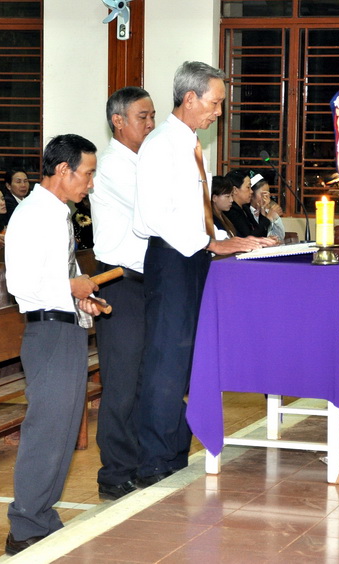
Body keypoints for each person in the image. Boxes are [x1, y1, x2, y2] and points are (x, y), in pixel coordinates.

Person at [132, 61, 265, 487]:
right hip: (171, 259)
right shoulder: (160, 145)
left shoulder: (190, 143)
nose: (219, 112)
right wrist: (211, 244)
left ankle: (175, 452)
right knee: (166, 361)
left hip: (192, 258)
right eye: (216, 102)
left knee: (186, 359)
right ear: (190, 98)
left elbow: (193, 213)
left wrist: (226, 243)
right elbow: (154, 216)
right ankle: (154, 461)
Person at [4, 134, 104, 555]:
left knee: (63, 428)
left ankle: (42, 516)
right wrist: (71, 288)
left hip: (66, 326)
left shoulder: (56, 212)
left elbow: (62, 272)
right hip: (47, 332)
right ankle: (24, 523)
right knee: (47, 428)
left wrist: (83, 296)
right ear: (63, 170)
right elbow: (21, 284)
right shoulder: (32, 215)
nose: (91, 183)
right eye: (88, 174)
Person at [89, 85, 155, 501]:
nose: (150, 124)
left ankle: (144, 460)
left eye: (152, 116)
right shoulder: (112, 165)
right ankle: (114, 472)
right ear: (118, 121)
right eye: (142, 117)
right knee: (122, 380)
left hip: (149, 282)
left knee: (147, 377)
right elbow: (153, 216)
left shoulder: (144, 161)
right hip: (120, 282)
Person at [224, 169, 269, 238]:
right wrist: (268, 219)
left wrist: (263, 210)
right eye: (248, 187)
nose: (251, 191)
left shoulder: (245, 208)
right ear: (235, 190)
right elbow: (249, 237)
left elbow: (259, 232)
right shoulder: (231, 211)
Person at [249, 174, 285, 242]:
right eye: (263, 194)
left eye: (268, 194)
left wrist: (275, 217)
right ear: (251, 195)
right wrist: (268, 218)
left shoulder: (269, 211)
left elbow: (280, 237)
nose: (266, 198)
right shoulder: (247, 213)